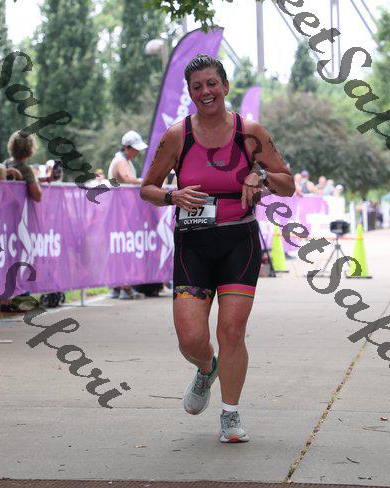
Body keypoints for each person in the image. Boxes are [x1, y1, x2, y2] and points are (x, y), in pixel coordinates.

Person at [140, 54, 294, 443]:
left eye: (212, 83)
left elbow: (288, 184)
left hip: (239, 241)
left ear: (225, 86)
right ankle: (206, 368)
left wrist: (260, 174)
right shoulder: (178, 135)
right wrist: (173, 195)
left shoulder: (250, 132)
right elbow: (147, 188)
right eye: (197, 86)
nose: (206, 91)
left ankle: (230, 413)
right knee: (190, 338)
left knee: (232, 331)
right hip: (193, 244)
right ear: (190, 93)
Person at [108, 130, 148, 300]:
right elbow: (128, 179)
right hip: (120, 212)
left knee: (120, 248)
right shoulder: (121, 161)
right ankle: (125, 287)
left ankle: (117, 287)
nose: (137, 151)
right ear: (127, 147)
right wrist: (147, 181)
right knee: (124, 248)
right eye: (135, 148)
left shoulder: (124, 160)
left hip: (120, 211)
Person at [3, 131, 42, 202]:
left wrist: (47, 179)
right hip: (17, 208)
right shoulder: (25, 169)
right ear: (30, 147)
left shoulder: (5, 164)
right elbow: (37, 196)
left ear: (11, 145)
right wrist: (35, 178)